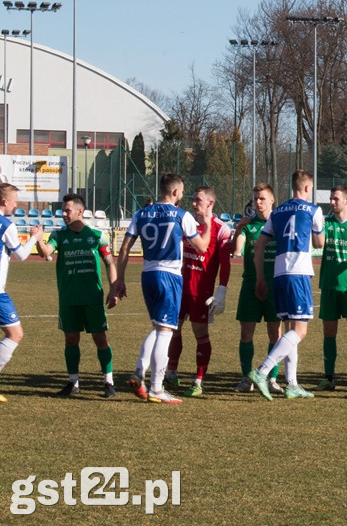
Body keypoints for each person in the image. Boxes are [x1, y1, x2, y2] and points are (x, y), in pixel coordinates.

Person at [109, 173, 212, 404]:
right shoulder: (181, 215)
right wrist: (207, 224)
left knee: (158, 327)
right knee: (166, 332)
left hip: (147, 275)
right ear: (175, 192)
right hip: (169, 276)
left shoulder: (141, 213)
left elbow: (125, 247)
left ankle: (139, 373)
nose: (183, 196)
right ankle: (156, 388)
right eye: (183, 192)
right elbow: (203, 247)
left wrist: (120, 279)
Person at [248, 170, 325, 401]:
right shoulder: (314, 210)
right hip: (298, 271)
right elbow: (319, 242)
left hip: (279, 273)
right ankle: (262, 372)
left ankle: (292, 384)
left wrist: (261, 277)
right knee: (300, 330)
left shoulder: (278, 211)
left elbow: (260, 244)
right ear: (308, 188)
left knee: (291, 328)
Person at [34, 193, 119, 398]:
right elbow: (45, 253)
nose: (63, 214)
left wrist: (114, 288)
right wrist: (38, 239)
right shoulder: (59, 235)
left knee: (100, 338)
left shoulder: (97, 235)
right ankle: (73, 382)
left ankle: (108, 382)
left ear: (80, 212)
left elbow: (109, 263)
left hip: (92, 297)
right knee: (71, 339)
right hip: (68, 297)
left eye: (67, 210)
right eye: (63, 210)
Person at [165, 187, 232, 397]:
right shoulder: (186, 223)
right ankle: (171, 373)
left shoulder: (222, 229)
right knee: (172, 329)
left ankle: (198, 381)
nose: (193, 204)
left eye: (198, 200)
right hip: (178, 288)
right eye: (193, 200)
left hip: (200, 293)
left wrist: (221, 291)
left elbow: (225, 264)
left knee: (199, 334)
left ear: (210, 204)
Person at [231, 183, 284, 394]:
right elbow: (236, 250)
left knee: (275, 333)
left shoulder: (280, 225)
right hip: (250, 284)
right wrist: (238, 229)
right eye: (255, 199)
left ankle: (272, 379)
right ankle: (246, 378)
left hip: (275, 285)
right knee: (246, 333)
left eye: (262, 198)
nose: (258, 202)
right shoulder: (248, 225)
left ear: (272, 200)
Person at [0, 186, 49, 403]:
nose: (16, 205)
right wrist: (35, 236)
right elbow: (20, 255)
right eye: (14, 201)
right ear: (4, 200)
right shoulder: (6, 225)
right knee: (15, 334)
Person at [314, 186, 347, 391]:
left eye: (336, 199)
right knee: (329, 334)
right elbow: (317, 244)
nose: (332, 202)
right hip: (330, 285)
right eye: (331, 199)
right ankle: (329, 377)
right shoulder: (326, 224)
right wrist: (318, 227)